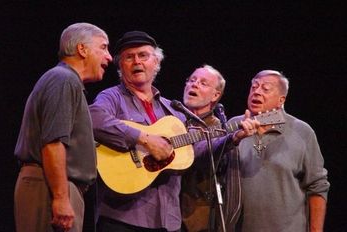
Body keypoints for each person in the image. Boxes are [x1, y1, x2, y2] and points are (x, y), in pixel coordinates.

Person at [89, 31, 259, 232]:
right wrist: (143, 138)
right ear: (121, 66)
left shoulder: (173, 110)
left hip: (167, 220)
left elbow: (192, 153)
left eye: (143, 55)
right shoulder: (112, 97)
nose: (137, 61)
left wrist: (233, 137)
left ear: (156, 63)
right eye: (129, 57)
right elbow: (93, 119)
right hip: (122, 217)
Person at [14, 22, 113, 232]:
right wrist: (60, 197)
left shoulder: (67, 82)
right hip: (49, 187)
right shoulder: (63, 80)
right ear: (82, 49)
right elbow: (53, 143)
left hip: (56, 186)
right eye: (103, 47)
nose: (109, 57)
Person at [228, 70, 330, 232]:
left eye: (266, 88)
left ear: (281, 100)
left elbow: (317, 186)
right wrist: (236, 137)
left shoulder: (302, 131)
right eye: (254, 87)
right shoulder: (234, 126)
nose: (257, 91)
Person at [180, 64, 228, 232]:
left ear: (215, 95)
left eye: (203, 83)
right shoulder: (167, 118)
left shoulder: (216, 127)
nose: (194, 84)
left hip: (194, 218)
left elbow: (200, 156)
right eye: (192, 80)